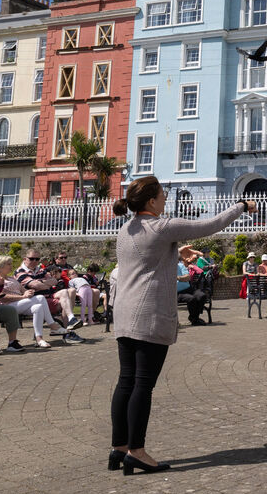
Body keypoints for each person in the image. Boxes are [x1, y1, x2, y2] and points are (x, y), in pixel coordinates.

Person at [109, 176, 255, 475]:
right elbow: (211, 226)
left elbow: (146, 261)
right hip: (148, 313)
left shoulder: (125, 230)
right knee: (143, 385)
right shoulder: (163, 226)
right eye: (162, 195)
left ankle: (119, 448)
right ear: (150, 200)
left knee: (126, 380)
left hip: (123, 312)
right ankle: (137, 451)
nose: (164, 200)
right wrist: (241, 205)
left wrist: (175, 251)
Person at [0, 255, 65, 347]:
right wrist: (23, 297)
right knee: (40, 298)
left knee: (38, 307)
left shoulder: (11, 278)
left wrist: (29, 292)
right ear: (0, 266)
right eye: (8, 264)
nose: (11, 266)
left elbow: (23, 290)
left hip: (19, 303)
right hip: (6, 306)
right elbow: (1, 296)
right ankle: (52, 325)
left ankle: (39, 339)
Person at [176, 247, 208, 325]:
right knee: (191, 299)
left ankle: (194, 317)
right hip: (177, 293)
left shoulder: (180, 265)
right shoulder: (167, 268)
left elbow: (188, 277)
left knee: (202, 295)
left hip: (189, 289)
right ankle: (195, 319)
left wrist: (178, 278)